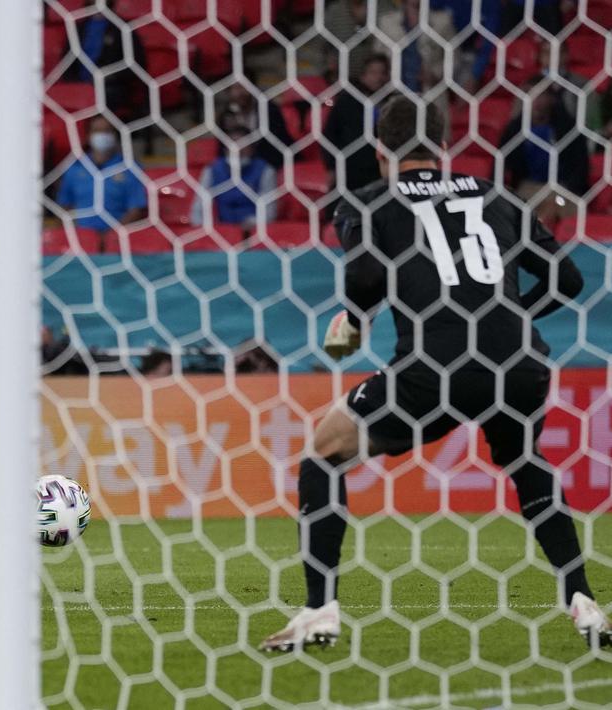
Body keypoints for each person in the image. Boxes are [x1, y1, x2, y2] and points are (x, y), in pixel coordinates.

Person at [260, 96, 610, 651]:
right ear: (444, 149)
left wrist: (353, 320)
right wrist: (514, 314)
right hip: (520, 363)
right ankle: (584, 601)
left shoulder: (369, 201)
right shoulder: (498, 196)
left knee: (323, 455)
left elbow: (365, 279)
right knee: (524, 461)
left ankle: (319, 610)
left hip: (436, 365)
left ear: (381, 153)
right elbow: (567, 281)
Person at [498, 74, 588, 224]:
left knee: (554, 210)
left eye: (541, 95)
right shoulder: (514, 130)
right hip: (528, 188)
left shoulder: (569, 129)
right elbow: (502, 166)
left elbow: (580, 168)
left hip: (563, 189)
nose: (536, 101)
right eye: (531, 95)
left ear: (552, 99)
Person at [55, 116, 147, 233]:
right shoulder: (74, 167)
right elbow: (64, 205)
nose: (102, 135)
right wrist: (79, 235)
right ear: (88, 136)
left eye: (107, 131)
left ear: (115, 135)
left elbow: (136, 209)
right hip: (81, 237)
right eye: (97, 131)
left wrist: (113, 237)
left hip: (118, 239)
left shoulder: (130, 168)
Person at [322, 54, 390, 194]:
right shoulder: (346, 101)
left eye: (382, 73)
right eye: (373, 72)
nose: (378, 77)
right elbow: (329, 134)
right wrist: (331, 168)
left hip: (380, 171)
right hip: (350, 170)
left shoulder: (393, 102)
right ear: (363, 76)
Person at [193, 124, 277, 228]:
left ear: (252, 148)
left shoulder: (266, 170)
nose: (238, 149)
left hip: (255, 229)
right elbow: (198, 209)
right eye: (233, 143)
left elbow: (269, 211)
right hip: (221, 231)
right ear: (225, 148)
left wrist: (252, 223)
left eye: (244, 144)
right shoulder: (211, 170)